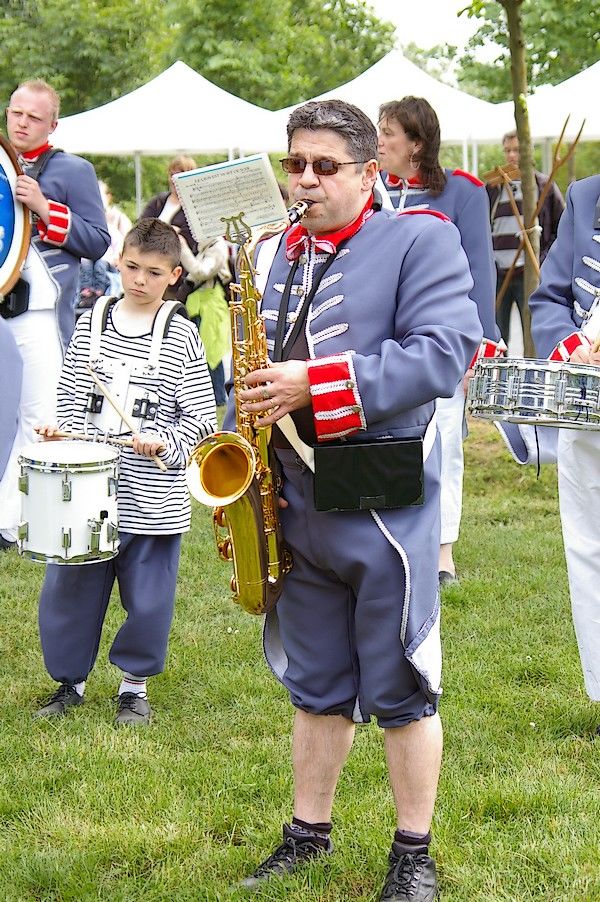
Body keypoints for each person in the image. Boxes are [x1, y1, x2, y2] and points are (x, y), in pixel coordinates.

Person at [229, 99, 481, 900]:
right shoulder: (273, 250)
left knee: (402, 682)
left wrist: (317, 383)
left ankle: (413, 853)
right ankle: (308, 833)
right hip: (295, 495)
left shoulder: (420, 238)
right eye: (294, 165)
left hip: (383, 499)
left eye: (324, 167)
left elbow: (446, 354)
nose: (304, 181)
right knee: (317, 678)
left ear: (370, 171)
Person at [33, 218, 217, 725]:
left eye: (153, 273)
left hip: (151, 493)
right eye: (132, 267)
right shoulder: (92, 320)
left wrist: (165, 441)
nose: (139, 280)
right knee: (70, 592)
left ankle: (134, 687)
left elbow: (201, 418)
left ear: (174, 275)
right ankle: (70, 682)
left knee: (149, 599)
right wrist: (63, 432)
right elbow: (72, 396)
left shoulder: (180, 335)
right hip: (87, 493)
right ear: (118, 261)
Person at [378, 96, 504, 585]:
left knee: (446, 440)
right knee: (392, 440)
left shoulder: (462, 193)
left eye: (389, 132)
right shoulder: (371, 192)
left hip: (444, 338)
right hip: (388, 342)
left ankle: (443, 551)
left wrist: (479, 346)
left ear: (417, 142)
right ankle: (394, 537)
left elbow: (479, 270)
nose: (380, 140)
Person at [0, 79, 109, 550]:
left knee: (37, 414)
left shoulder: (72, 169)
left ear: (52, 124)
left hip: (38, 310)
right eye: (16, 112)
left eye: (33, 117)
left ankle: (13, 521)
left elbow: (98, 240)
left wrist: (44, 207)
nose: (22, 123)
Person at [529, 173, 600, 713]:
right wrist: (572, 344)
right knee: (588, 549)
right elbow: (550, 297)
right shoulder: (586, 195)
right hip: (586, 401)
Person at [486, 130, 565, 346]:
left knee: (532, 332)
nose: (512, 156)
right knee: (498, 337)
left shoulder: (543, 187)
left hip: (528, 274)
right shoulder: (495, 188)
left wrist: (542, 258)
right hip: (499, 273)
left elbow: (562, 229)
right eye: (508, 151)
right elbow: (483, 229)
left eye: (517, 150)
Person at [140, 154, 198, 303]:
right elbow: (141, 227)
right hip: (148, 264)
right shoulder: (158, 201)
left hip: (178, 274)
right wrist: (171, 231)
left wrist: (159, 231)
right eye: (173, 174)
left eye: (181, 174)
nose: (175, 179)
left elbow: (191, 238)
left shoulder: (193, 207)